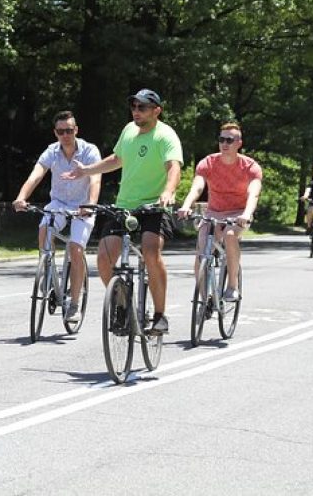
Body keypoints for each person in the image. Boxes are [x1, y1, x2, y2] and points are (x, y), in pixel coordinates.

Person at [63, 89, 182, 334]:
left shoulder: (165, 135)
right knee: (104, 258)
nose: (136, 112)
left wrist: (168, 192)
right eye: (134, 107)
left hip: (153, 206)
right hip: (125, 205)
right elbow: (117, 159)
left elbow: (174, 167)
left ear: (156, 110)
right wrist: (87, 171)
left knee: (150, 250)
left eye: (142, 108)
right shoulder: (128, 130)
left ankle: (160, 315)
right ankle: (122, 304)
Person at [12, 111, 102, 323]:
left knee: (75, 249)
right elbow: (35, 175)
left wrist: (90, 205)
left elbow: (96, 180)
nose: (65, 135)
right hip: (59, 203)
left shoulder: (89, 151)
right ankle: (48, 270)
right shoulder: (52, 152)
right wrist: (21, 197)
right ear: (55, 133)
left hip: (83, 206)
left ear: (76, 130)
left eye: (69, 130)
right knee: (44, 229)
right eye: (61, 131)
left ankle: (74, 304)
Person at [177, 122, 263, 303]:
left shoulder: (250, 166)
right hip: (213, 213)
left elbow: (253, 193)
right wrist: (186, 205)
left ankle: (232, 286)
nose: (225, 143)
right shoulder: (208, 162)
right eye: (221, 139)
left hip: (238, 213)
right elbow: (198, 187)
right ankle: (203, 299)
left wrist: (246, 214)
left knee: (230, 236)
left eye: (229, 140)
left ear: (239, 143)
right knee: (201, 250)